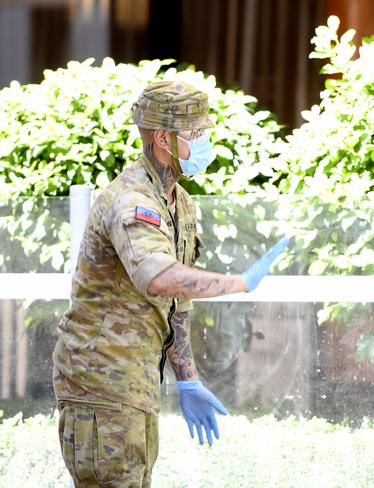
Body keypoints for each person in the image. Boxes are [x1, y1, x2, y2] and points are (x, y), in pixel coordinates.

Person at [52, 80, 290, 487]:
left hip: (135, 380)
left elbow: (178, 304)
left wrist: (189, 378)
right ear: (164, 137)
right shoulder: (131, 201)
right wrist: (239, 283)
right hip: (100, 382)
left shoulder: (179, 202)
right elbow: (161, 278)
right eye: (196, 133)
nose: (205, 141)